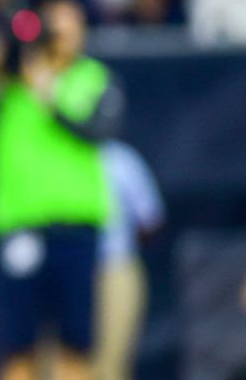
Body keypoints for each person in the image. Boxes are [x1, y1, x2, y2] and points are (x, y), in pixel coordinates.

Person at [0, 0, 123, 380]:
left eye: (70, 26)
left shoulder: (94, 78)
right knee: (17, 342)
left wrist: (49, 94)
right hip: (19, 225)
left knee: (75, 341)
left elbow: (98, 130)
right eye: (54, 27)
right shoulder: (10, 83)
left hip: (75, 228)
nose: (61, 36)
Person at [93, 139, 165, 380]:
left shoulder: (121, 159)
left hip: (115, 266)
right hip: (65, 271)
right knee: (63, 362)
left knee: (110, 365)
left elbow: (150, 220)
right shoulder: (53, 156)